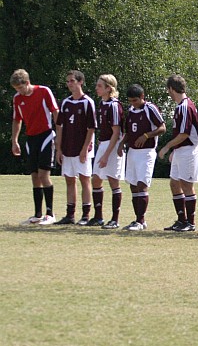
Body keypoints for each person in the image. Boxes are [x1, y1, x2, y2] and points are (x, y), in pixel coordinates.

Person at [11, 69, 59, 225]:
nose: (19, 92)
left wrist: (59, 136)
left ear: (27, 82)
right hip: (30, 139)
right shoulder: (17, 99)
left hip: (46, 135)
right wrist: (14, 140)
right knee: (34, 176)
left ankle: (50, 214)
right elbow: (17, 119)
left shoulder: (44, 91)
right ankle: (38, 214)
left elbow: (55, 112)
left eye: (20, 88)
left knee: (44, 175)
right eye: (16, 89)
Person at [118, 84, 166, 231]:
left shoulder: (150, 108)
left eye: (135, 100)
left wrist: (146, 136)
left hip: (146, 152)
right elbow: (128, 132)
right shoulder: (131, 111)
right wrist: (121, 144)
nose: (133, 103)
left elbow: (162, 128)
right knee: (133, 185)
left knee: (142, 184)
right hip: (132, 151)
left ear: (142, 97)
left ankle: (140, 220)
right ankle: (139, 220)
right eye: (131, 101)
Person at [54, 70, 97, 225]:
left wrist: (85, 149)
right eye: (68, 81)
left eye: (72, 81)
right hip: (67, 147)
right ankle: (70, 214)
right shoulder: (65, 102)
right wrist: (58, 148)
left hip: (82, 148)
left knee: (85, 179)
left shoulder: (88, 102)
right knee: (69, 180)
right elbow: (59, 126)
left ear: (80, 82)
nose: (69, 84)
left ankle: (85, 215)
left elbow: (91, 128)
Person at [160, 75, 198, 232]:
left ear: (171, 89)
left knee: (186, 185)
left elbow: (184, 134)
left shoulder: (185, 106)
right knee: (174, 183)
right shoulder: (181, 106)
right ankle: (181, 220)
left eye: (168, 90)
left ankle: (190, 222)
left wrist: (167, 147)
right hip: (181, 150)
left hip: (189, 149)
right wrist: (174, 150)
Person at [91, 75, 125, 228]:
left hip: (112, 145)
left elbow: (116, 132)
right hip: (104, 143)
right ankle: (98, 217)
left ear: (109, 88)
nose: (96, 88)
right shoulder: (102, 103)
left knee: (113, 180)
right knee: (96, 179)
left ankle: (114, 219)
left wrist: (106, 154)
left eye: (99, 86)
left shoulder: (114, 105)